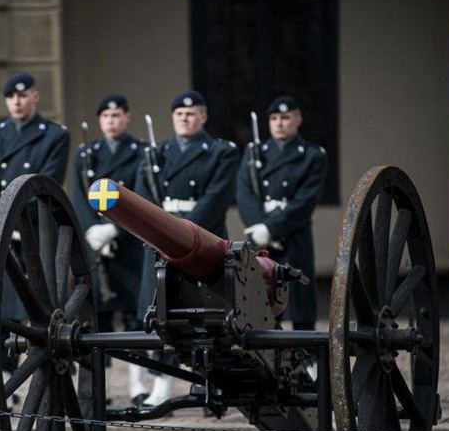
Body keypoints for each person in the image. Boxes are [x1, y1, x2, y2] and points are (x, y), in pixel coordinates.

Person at [0, 71, 71, 408]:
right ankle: (2, 379)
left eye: (23, 95)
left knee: (36, 305)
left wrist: (14, 216)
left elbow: (46, 182)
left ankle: (41, 378)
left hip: (35, 228)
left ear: (35, 97)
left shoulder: (54, 135)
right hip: (2, 228)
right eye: (11, 97)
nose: (17, 101)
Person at [134, 91, 239, 406]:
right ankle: (161, 384)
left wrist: (181, 232)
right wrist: (157, 229)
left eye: (191, 113)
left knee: (208, 314)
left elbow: (217, 198)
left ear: (203, 117)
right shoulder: (157, 153)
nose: (185, 118)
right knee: (160, 312)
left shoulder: (221, 152)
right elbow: (142, 194)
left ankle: (213, 381)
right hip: (160, 242)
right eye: (179, 114)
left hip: (201, 239)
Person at [71, 93, 146, 405]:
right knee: (96, 316)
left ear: (126, 117)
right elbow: (78, 196)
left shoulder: (141, 152)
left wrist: (114, 228)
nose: (111, 121)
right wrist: (92, 230)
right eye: (106, 117)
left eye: (117, 116)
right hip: (95, 246)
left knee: (133, 316)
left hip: (128, 243)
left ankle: (137, 386)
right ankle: (97, 388)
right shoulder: (86, 153)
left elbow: (142, 196)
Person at [237, 95, 328, 330]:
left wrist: (271, 229)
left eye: (285, 117)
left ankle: (305, 352)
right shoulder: (255, 153)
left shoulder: (312, 155)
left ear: (298, 120)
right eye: (274, 118)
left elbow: (305, 201)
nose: (279, 123)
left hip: (294, 236)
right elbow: (244, 194)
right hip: (261, 239)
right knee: (260, 303)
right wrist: (260, 229)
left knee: (300, 305)